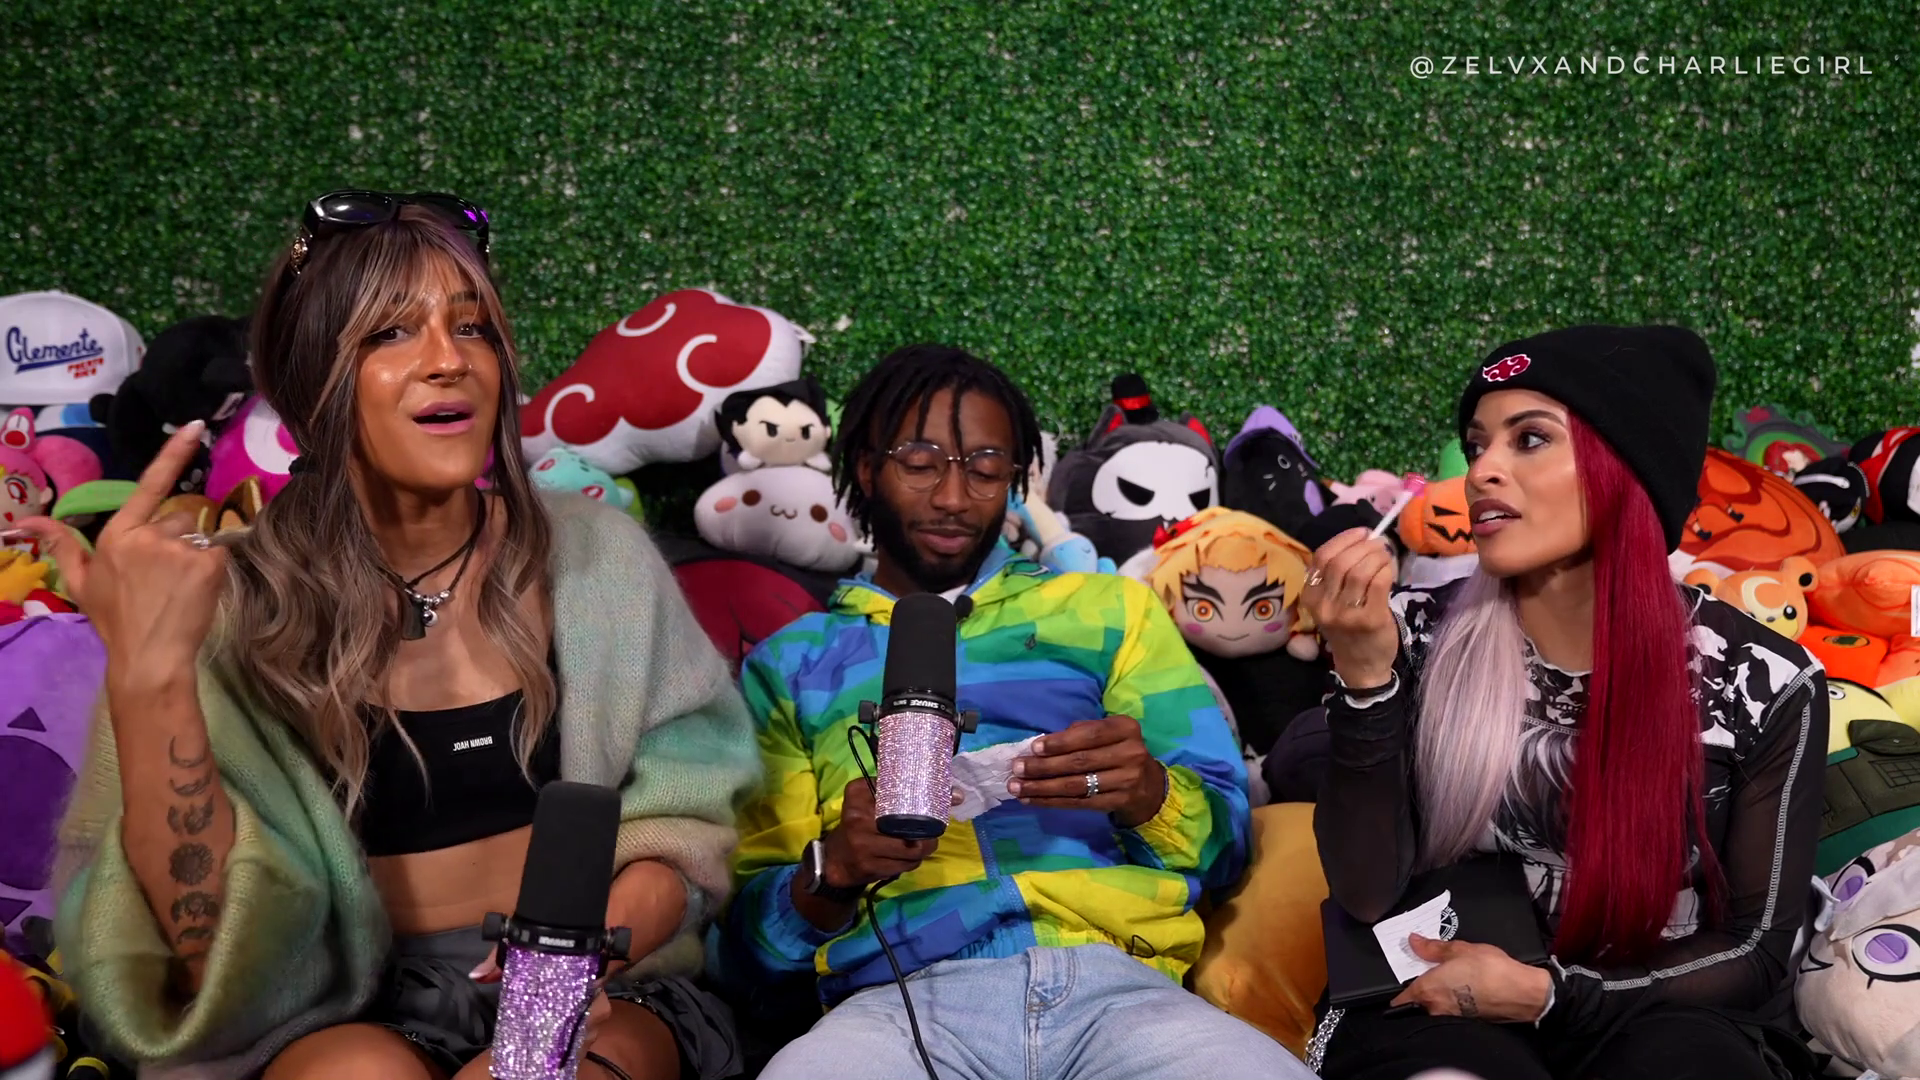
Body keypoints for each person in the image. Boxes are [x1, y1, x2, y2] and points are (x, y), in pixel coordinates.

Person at [20, 192, 761, 1080]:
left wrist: (574, 960)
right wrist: (150, 675)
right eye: (390, 333)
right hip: (339, 1008)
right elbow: (208, 959)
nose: (448, 360)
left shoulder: (600, 560)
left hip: (598, 983)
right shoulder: (221, 601)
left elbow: (684, 823)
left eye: (472, 326)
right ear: (311, 379)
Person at [711, 344, 1315, 1080]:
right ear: (866, 469)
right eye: (920, 463)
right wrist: (830, 871)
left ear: (1016, 478)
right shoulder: (790, 664)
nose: (953, 497)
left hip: (1122, 989)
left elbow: (1228, 844)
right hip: (896, 1003)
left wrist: (1148, 794)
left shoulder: (1109, 609)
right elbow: (745, 951)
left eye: (986, 467)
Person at [1302, 326, 1828, 1080]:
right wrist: (1364, 680)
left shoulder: (1763, 680)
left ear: (1628, 470)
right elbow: (1363, 892)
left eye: (1530, 439)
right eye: (1476, 445)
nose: (1482, 471)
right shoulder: (1410, 633)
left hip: (1662, 1012)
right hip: (1440, 998)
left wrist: (1547, 994)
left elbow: (1757, 949)